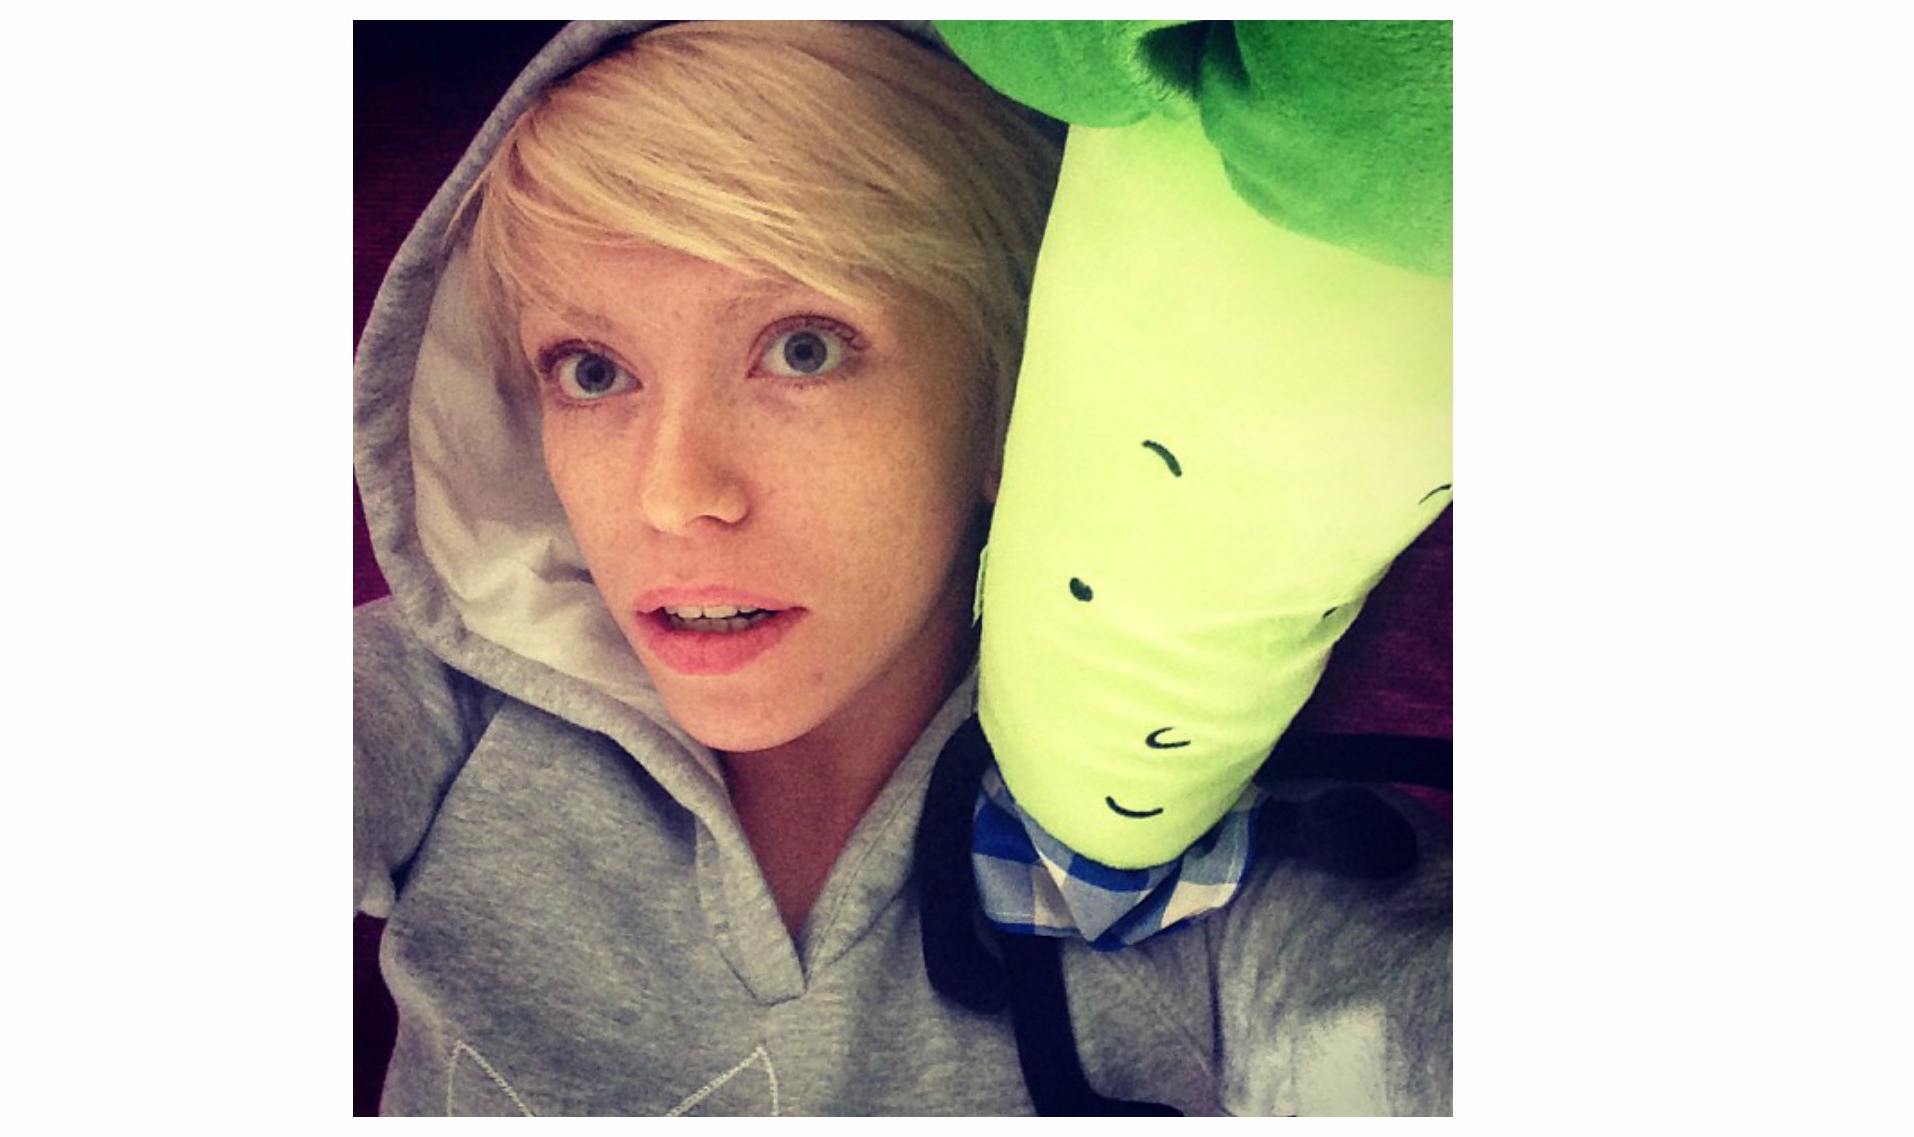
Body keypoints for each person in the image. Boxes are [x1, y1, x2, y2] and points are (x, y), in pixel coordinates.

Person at [354, 20, 1451, 1116]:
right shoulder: (455, 690)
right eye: (591, 371)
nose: (673, 495)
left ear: (1008, 404)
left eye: (803, 349)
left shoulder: (1203, 845)